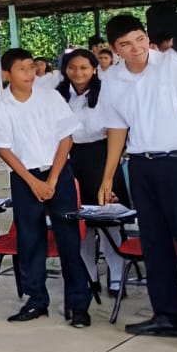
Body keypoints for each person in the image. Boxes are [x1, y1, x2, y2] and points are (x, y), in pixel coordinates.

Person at [97, 14, 177, 352]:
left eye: (139, 39)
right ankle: (169, 317)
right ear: (115, 49)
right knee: (155, 246)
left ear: (146, 36)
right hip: (140, 167)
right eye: (126, 44)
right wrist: (108, 176)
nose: (135, 48)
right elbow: (116, 129)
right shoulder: (113, 79)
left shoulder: (173, 65)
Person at [0, 48, 92, 326]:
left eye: (32, 67)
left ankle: (78, 304)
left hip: (58, 173)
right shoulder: (0, 106)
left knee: (69, 239)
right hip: (24, 176)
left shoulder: (50, 97)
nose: (29, 73)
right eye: (22, 69)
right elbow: (3, 149)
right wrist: (33, 182)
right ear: (7, 73)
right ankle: (36, 300)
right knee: (30, 240)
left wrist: (52, 180)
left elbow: (66, 138)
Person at [57, 49, 129, 300]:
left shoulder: (106, 93)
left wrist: (111, 168)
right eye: (72, 67)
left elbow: (118, 130)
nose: (78, 73)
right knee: (82, 221)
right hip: (72, 158)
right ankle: (89, 275)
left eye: (84, 68)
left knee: (108, 219)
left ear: (94, 69)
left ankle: (117, 274)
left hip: (102, 157)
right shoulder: (58, 96)